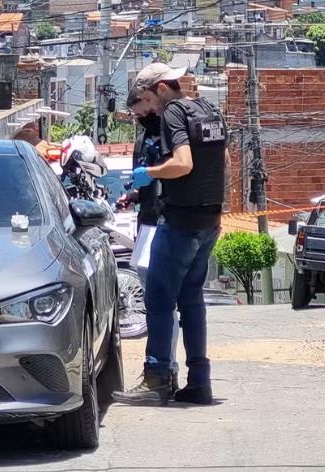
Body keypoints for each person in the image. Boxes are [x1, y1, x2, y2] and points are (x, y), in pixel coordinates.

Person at [113, 63, 228, 406]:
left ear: (162, 89)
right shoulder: (207, 109)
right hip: (208, 219)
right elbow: (222, 160)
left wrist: (148, 173)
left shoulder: (173, 113)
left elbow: (184, 163)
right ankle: (199, 383)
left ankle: (157, 379)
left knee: (160, 301)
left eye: (148, 99)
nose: (150, 109)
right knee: (192, 302)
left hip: (179, 221)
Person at [115, 87, 180, 398]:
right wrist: (132, 194)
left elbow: (177, 173)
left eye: (145, 111)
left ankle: (163, 371)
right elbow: (143, 180)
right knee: (152, 295)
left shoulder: (171, 134)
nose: (143, 119)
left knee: (161, 302)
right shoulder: (143, 140)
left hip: (167, 221)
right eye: (137, 115)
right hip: (148, 221)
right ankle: (162, 370)